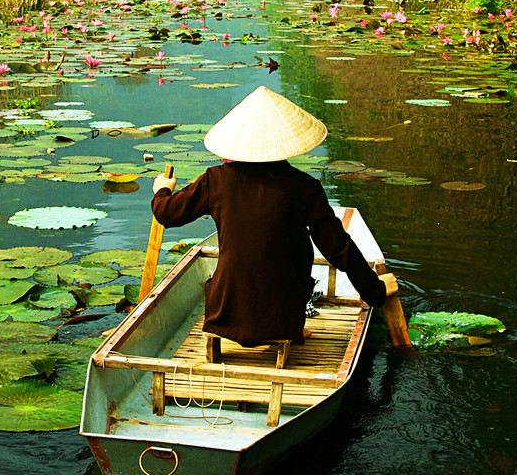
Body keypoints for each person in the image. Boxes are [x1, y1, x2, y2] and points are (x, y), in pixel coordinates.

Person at [151, 86, 397, 363]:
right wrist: (373, 292)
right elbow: (338, 248)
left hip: (225, 312)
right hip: (282, 315)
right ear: (286, 142)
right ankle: (295, 324)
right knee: (300, 247)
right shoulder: (305, 188)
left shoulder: (215, 180)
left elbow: (166, 214)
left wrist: (162, 189)